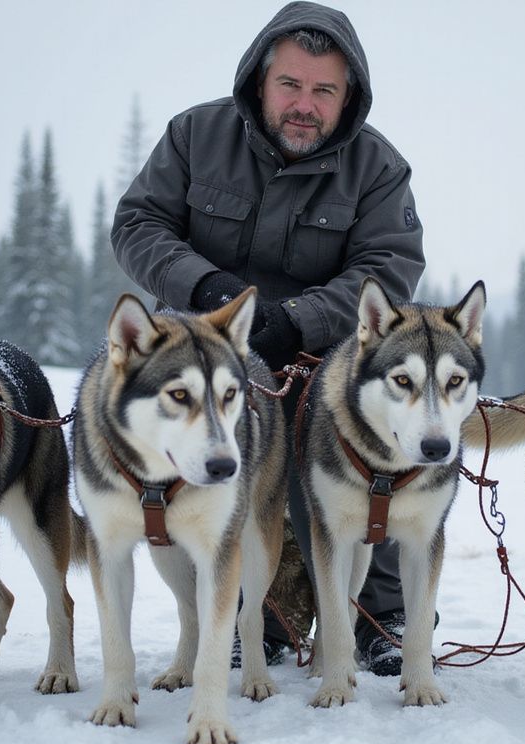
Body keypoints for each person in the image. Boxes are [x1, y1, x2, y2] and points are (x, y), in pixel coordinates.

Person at [111, 1, 425, 676]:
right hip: (204, 347)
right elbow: (138, 225)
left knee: (372, 447)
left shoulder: (378, 169)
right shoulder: (195, 135)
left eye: (323, 91)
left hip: (322, 352)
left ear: (349, 97)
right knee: (211, 470)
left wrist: (300, 322)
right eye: (291, 85)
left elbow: (389, 269)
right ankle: (252, 615)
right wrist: (209, 291)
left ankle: (381, 616)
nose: (304, 104)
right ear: (261, 80)